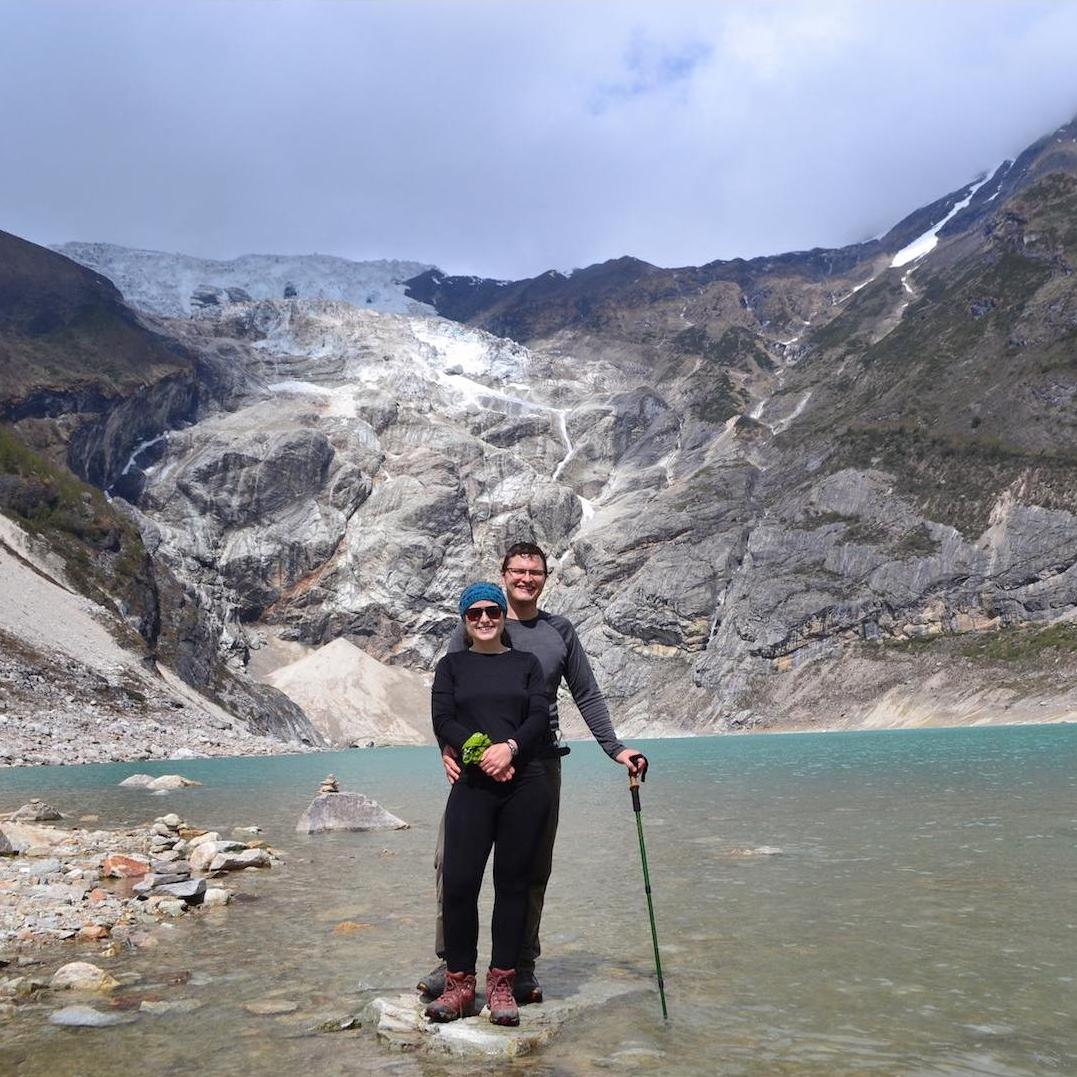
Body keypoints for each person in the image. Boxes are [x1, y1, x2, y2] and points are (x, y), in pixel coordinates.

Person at [420, 541, 645, 1005]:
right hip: (476, 767)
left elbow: (586, 693)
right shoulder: (475, 623)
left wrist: (615, 749)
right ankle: (452, 964)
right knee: (453, 865)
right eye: (518, 570)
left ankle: (519, 966)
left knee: (529, 870)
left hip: (538, 763)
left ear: (545, 577)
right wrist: (449, 747)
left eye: (535, 571)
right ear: (503, 575)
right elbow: (451, 698)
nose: (526, 577)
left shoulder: (558, 631)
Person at [425, 582, 552, 1027]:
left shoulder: (526, 664)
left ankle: (501, 984)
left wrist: (511, 749)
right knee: (459, 883)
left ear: (502, 617)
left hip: (525, 782)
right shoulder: (451, 667)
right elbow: (443, 718)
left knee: (513, 883)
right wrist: (484, 752)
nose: (484, 619)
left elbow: (539, 715)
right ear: (464, 619)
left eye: (492, 612)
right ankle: (460, 985)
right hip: (472, 785)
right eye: (475, 612)